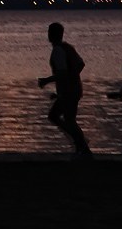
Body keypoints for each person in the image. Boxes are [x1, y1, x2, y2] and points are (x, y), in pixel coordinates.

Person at [37, 22, 92, 159]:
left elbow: (62, 73)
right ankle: (80, 143)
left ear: (51, 35)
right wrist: (71, 79)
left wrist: (46, 80)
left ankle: (82, 145)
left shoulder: (58, 51)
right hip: (72, 90)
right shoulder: (67, 47)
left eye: (49, 32)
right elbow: (80, 64)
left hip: (68, 91)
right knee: (60, 117)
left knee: (65, 119)